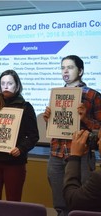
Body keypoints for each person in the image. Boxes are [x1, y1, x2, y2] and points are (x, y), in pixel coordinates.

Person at [43, 55, 101, 216]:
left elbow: (100, 129)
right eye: (63, 67)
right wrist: (49, 121)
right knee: (60, 204)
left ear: (80, 71)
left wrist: (85, 119)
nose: (65, 71)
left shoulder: (92, 95)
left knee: (80, 204)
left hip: (80, 156)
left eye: (70, 67)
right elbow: (56, 128)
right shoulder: (57, 94)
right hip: (56, 153)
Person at [0, 69, 39, 201]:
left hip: (14, 162)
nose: (6, 86)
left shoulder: (26, 107)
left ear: (17, 86)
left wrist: (21, 149)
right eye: (3, 83)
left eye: (10, 83)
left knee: (13, 201)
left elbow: (34, 136)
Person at [63, 129, 101, 212]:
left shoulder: (98, 178)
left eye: (100, 138)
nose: (97, 143)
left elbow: (72, 200)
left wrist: (74, 156)